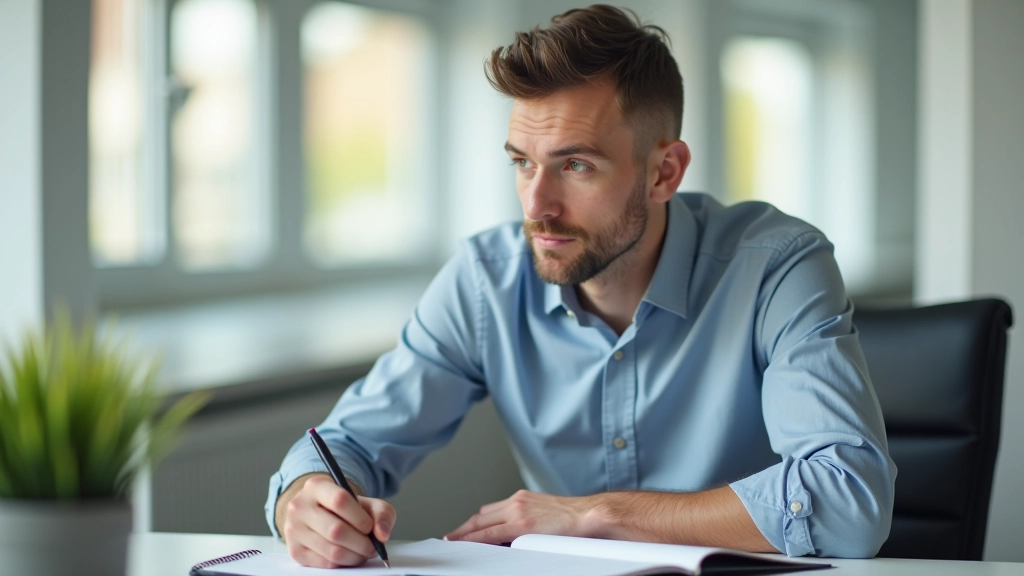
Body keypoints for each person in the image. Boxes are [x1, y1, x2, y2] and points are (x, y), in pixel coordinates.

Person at [266, 4, 896, 568]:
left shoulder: (776, 266)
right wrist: (307, 500)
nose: (536, 205)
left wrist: (596, 514)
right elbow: (347, 445)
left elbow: (849, 499)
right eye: (522, 162)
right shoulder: (486, 279)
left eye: (576, 165)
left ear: (664, 172)